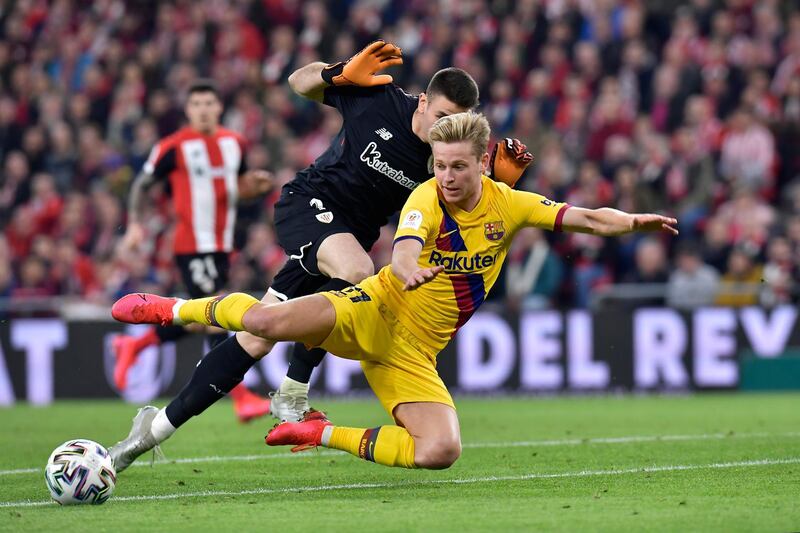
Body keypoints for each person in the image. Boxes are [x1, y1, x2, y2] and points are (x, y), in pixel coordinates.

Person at [111, 112, 678, 470]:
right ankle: (169, 307)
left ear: (484, 163)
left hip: (411, 355)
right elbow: (406, 246)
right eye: (438, 165)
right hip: (372, 310)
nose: (447, 177)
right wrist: (406, 268)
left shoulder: (513, 205)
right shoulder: (426, 199)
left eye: (458, 167)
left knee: (441, 452)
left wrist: (632, 222)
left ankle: (316, 430)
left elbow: (586, 218)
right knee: (264, 323)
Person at [113, 37, 531, 456]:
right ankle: (293, 393)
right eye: (441, 117)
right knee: (357, 274)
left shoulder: (444, 163)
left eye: (455, 123)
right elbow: (299, 82)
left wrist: (496, 184)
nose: (445, 132)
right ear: (422, 102)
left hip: (346, 237)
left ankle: (151, 432)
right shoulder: (380, 99)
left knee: (258, 334)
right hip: (308, 205)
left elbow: (467, 219)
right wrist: (337, 72)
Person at [113, 79, 274, 422]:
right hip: (191, 244)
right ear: (188, 110)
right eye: (196, 104)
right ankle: (242, 396)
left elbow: (239, 188)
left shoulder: (236, 144)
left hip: (221, 245)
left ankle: (135, 345)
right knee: (216, 314)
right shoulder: (173, 146)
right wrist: (136, 223)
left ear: (219, 108)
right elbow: (142, 185)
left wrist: (256, 187)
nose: (203, 109)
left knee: (200, 317)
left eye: (209, 103)